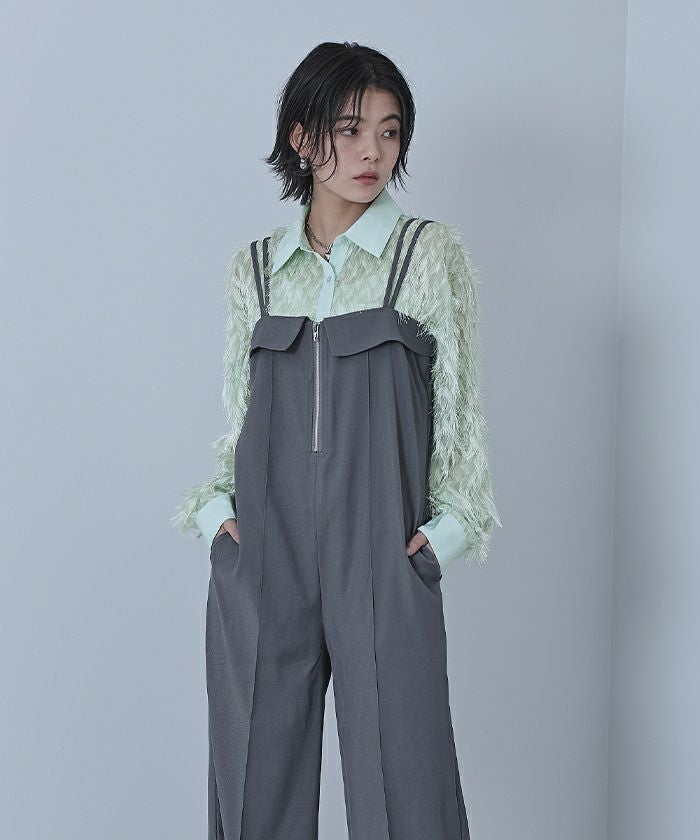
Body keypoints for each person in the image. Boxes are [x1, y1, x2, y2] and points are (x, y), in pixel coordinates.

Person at [171, 40, 501, 840]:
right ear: (301, 137)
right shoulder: (255, 270)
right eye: (349, 129)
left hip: (382, 551)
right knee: (255, 785)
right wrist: (218, 517)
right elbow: (238, 414)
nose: (371, 152)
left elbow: (461, 413)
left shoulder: (425, 255)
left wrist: (443, 538)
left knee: (406, 789)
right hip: (265, 552)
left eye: (389, 132)